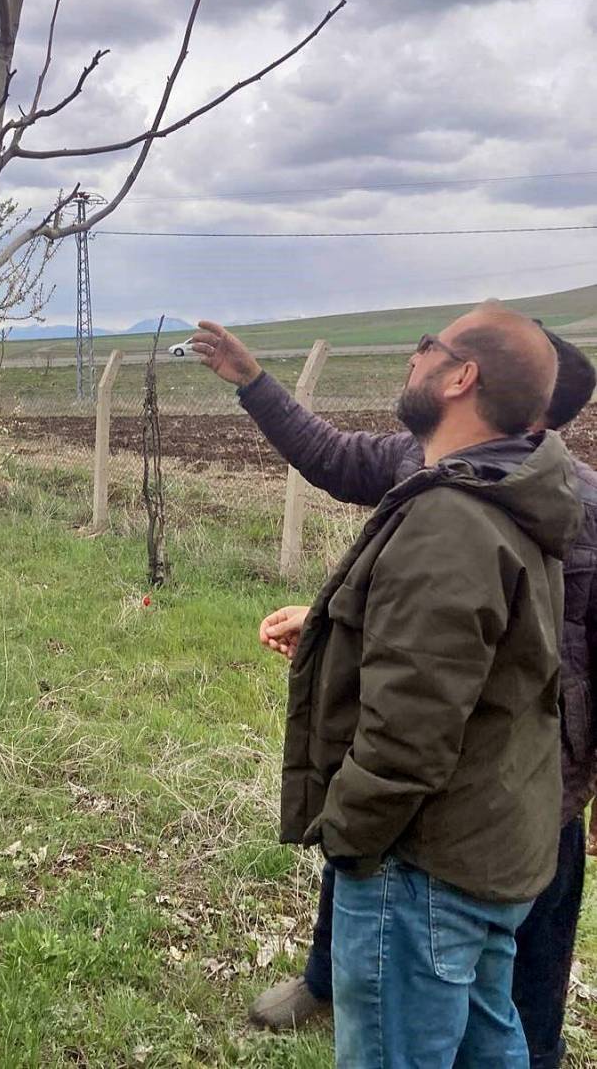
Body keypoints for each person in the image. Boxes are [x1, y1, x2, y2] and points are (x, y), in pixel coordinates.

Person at [194, 317, 597, 1069]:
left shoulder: (463, 511)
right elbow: (458, 631)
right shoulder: (499, 486)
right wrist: (330, 620)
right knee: (489, 1019)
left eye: (431, 347)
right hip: (486, 802)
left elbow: (414, 715)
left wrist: (347, 835)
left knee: (500, 1007)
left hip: (459, 823)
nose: (415, 354)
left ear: (466, 379)